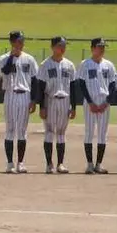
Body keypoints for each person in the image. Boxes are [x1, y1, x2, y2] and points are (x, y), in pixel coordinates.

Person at [0, 30, 39, 174]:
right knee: (9, 130)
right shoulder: (3, 58)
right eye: (19, 41)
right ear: (12, 42)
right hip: (10, 94)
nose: (21, 44)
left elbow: (34, 80)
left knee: (22, 131)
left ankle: (20, 162)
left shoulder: (29, 59)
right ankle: (9, 163)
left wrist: (33, 100)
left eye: (22, 41)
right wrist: (11, 57)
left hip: (25, 95)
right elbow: (5, 72)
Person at [36, 36, 78, 174]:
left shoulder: (69, 65)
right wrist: (41, 106)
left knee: (61, 133)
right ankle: (49, 164)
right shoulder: (45, 65)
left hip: (65, 100)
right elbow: (41, 87)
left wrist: (74, 106)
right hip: (50, 100)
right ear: (53, 47)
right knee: (49, 132)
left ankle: (60, 164)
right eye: (60, 45)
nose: (63, 48)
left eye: (64, 45)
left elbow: (73, 87)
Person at [76, 37, 116, 174]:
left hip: (104, 102)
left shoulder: (109, 65)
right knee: (89, 133)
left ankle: (99, 164)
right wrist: (90, 102)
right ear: (92, 48)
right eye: (99, 47)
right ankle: (89, 164)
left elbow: (112, 85)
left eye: (103, 47)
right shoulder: (85, 64)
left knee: (102, 134)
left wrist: (107, 102)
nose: (102, 49)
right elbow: (81, 84)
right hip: (90, 102)